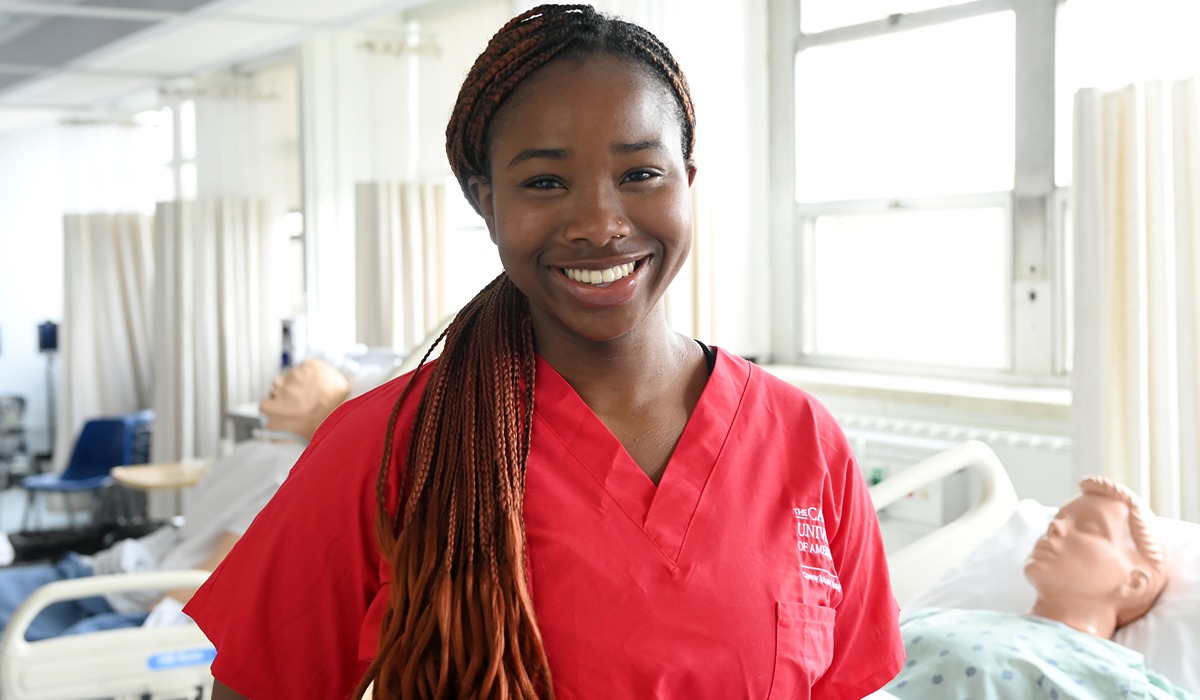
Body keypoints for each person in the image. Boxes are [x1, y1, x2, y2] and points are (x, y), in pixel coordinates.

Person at [185, 5, 904, 699]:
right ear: (485, 201)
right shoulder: (390, 445)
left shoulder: (804, 442)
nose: (598, 224)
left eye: (640, 174)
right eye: (544, 182)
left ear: (688, 181)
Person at [0, 358, 350, 641]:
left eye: (295, 380)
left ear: (319, 408)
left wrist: (160, 611)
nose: (277, 382)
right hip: (113, 573)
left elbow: (223, 563)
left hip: (144, 601)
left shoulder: (288, 473)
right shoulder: (251, 451)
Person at [884, 476, 1197, 699]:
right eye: (1056, 520)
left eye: (1088, 527)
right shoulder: (933, 617)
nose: (1057, 527)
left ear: (1135, 581)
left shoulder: (1113, 676)